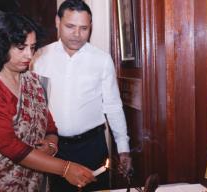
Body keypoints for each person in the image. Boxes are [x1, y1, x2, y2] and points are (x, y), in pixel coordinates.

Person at [0, 13, 95, 192]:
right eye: (21, 47)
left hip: (34, 180)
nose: (29, 55)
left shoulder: (33, 81)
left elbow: (50, 127)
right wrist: (65, 169)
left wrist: (51, 145)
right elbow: (10, 147)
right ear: (0, 46)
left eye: (32, 47)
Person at [32, 0, 132, 191]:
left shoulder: (101, 60)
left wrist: (124, 149)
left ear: (90, 27)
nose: (77, 34)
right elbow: (35, 106)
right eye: (70, 26)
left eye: (83, 28)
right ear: (57, 22)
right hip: (55, 148)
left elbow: (112, 106)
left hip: (92, 147)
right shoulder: (39, 58)